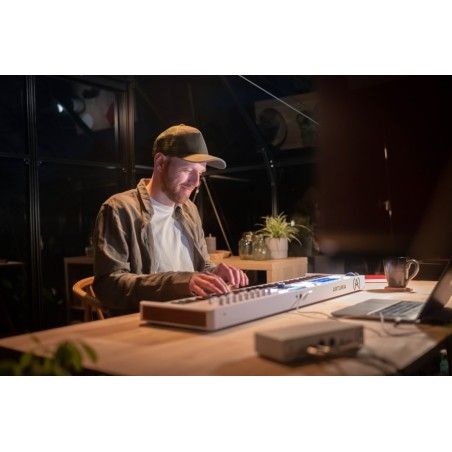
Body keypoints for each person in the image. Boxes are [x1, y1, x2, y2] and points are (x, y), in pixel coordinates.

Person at [93, 124, 249, 312]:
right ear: (160, 162)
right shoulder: (120, 209)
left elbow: (199, 267)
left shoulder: (189, 209)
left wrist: (214, 273)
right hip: (147, 320)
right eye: (188, 170)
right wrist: (181, 283)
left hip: (194, 312)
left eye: (200, 173)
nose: (196, 182)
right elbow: (109, 285)